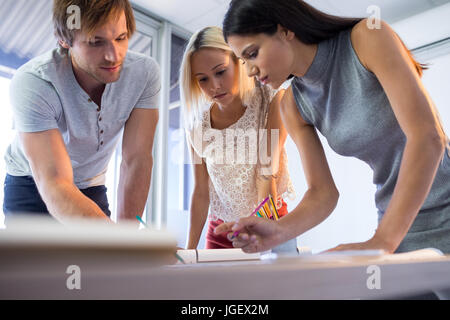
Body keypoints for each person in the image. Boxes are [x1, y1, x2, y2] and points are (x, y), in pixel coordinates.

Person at [216, 0, 450, 255]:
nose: (249, 71)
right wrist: (280, 230)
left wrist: (382, 241)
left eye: (252, 54)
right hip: (398, 220)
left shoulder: (367, 37)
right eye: (243, 61)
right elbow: (322, 194)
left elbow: (428, 137)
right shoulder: (293, 105)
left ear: (285, 30)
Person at [3, 0, 160, 225]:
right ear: (64, 41)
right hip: (32, 183)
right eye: (96, 42)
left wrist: (127, 238)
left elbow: (136, 160)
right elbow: (56, 182)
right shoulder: (33, 82)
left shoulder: (145, 74)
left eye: (121, 38)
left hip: (90, 183)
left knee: (102, 257)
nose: (114, 56)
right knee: (35, 260)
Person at [180, 26, 296, 252]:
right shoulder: (196, 126)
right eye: (202, 79)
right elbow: (201, 191)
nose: (214, 86)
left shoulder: (271, 100)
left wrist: (260, 229)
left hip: (269, 221)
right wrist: (190, 250)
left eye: (220, 71)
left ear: (238, 61)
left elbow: (266, 174)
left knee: (273, 286)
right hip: (221, 232)